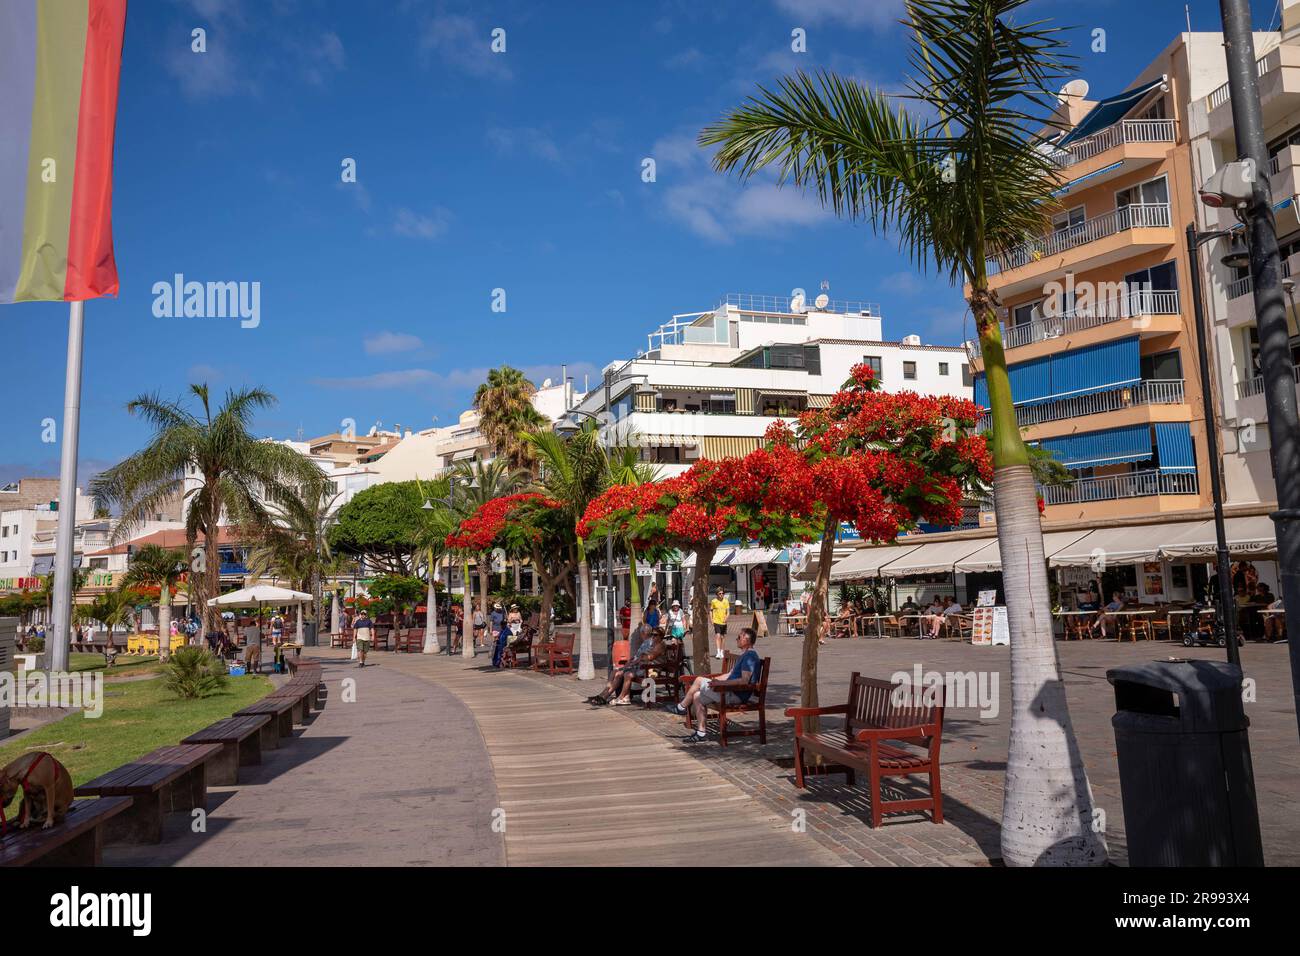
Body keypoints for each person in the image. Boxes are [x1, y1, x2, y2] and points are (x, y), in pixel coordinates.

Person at [667, 627, 762, 743]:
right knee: (696, 696)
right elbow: (729, 674)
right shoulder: (744, 655)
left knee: (698, 680)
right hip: (728, 691)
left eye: (739, 637)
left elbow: (744, 681)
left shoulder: (750, 657)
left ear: (747, 640)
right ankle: (701, 733)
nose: (737, 639)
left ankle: (681, 707)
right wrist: (714, 680)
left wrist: (720, 683)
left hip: (736, 694)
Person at [588, 627, 666, 706]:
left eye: (655, 635)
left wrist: (640, 658)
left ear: (661, 636)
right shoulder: (652, 644)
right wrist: (638, 658)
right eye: (652, 634)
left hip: (651, 670)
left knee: (625, 674)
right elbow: (642, 656)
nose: (652, 636)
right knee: (617, 672)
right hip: (643, 667)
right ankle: (604, 695)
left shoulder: (660, 645)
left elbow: (650, 657)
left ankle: (619, 697)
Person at [710, 587, 730, 659]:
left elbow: (728, 612)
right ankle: (718, 652)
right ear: (717, 594)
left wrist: (726, 618)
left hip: (723, 622)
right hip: (716, 621)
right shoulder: (713, 601)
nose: (721, 595)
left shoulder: (726, 601)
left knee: (723, 637)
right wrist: (711, 619)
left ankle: (722, 651)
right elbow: (711, 611)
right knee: (718, 636)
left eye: (722, 593)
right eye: (720, 593)